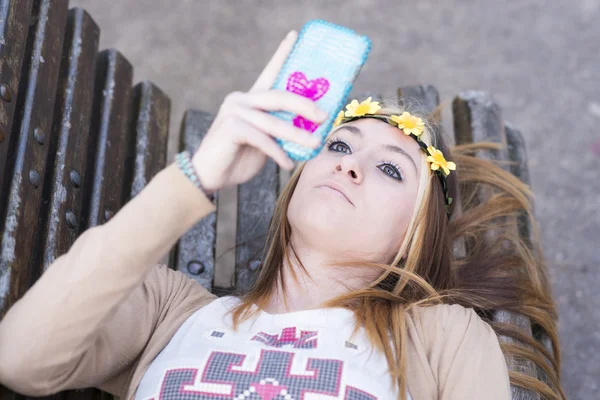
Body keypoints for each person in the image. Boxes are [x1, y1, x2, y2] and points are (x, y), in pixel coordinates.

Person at [0, 31, 562, 400]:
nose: (348, 166)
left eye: (391, 170)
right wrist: (196, 177)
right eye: (338, 146)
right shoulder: (170, 312)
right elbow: (20, 358)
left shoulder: (439, 337)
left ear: (414, 239)